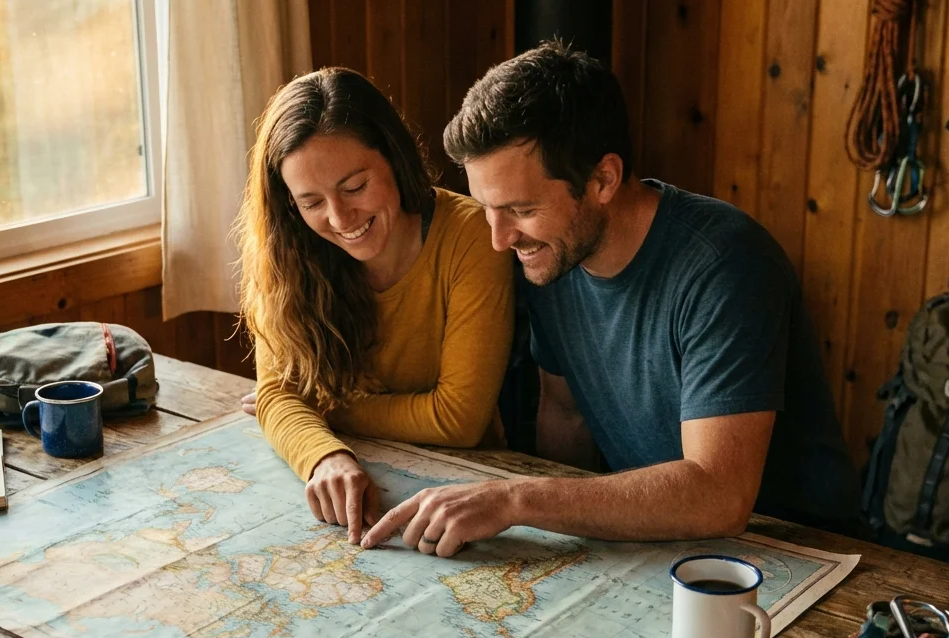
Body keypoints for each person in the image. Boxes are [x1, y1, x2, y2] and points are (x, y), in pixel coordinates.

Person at [360, 42, 860, 558]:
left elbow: (720, 495)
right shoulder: (554, 255)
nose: (499, 239)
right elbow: (565, 413)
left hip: (793, 548)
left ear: (603, 179)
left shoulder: (726, 265)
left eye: (521, 209)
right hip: (658, 541)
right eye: (488, 209)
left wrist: (515, 499)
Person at [236, 67, 515, 545]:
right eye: (311, 202)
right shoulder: (287, 255)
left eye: (355, 187)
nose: (340, 218)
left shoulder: (470, 235)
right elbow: (279, 395)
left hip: (468, 493)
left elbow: (457, 418)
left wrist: (326, 407)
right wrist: (324, 455)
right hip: (355, 490)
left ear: (393, 156)